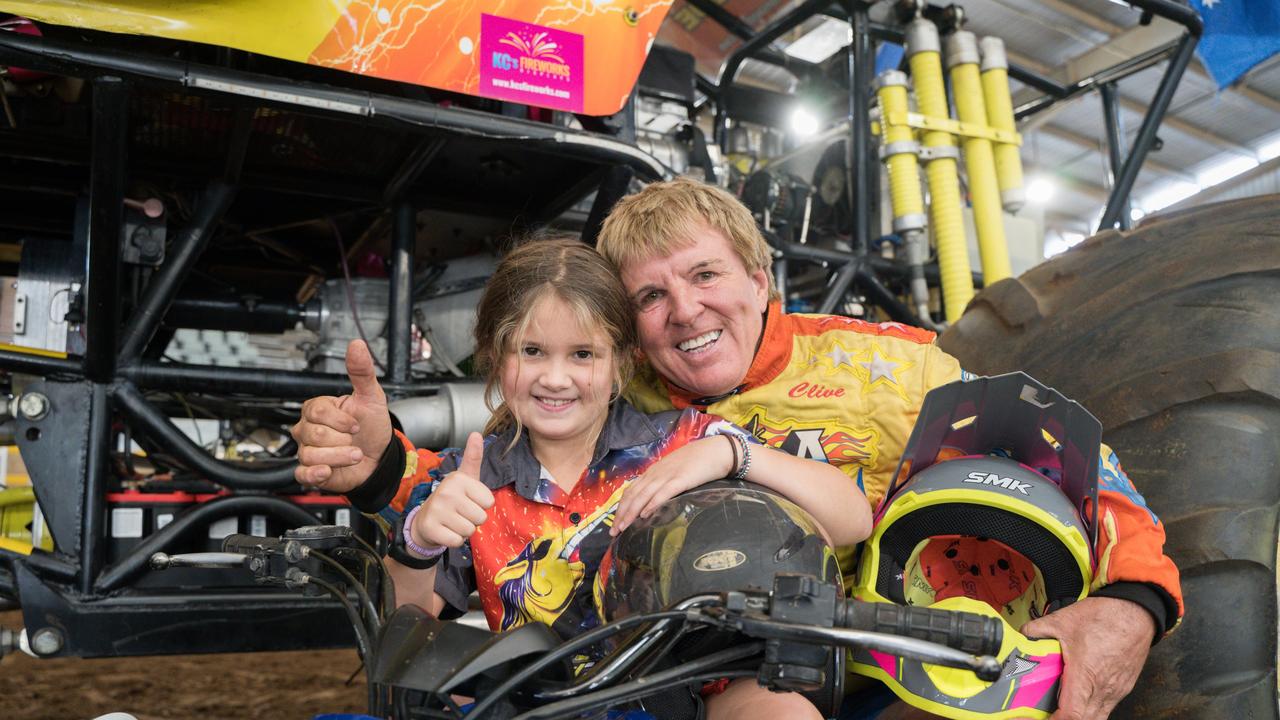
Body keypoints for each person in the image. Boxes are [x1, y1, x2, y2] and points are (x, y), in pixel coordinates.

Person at [591, 178, 1183, 720]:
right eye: (650, 296)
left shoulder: (891, 368)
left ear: (757, 279)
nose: (686, 311)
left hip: (904, 679)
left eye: (704, 275)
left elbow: (1071, 461)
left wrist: (1134, 603)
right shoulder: (602, 399)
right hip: (709, 684)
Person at [292, 237, 871, 719]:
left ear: (621, 362)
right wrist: (418, 542)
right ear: (496, 356)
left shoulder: (684, 440)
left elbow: (852, 518)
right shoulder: (468, 477)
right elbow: (402, 628)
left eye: (583, 355)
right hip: (539, 704)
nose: (556, 378)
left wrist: (732, 456)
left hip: (685, 700)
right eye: (533, 351)